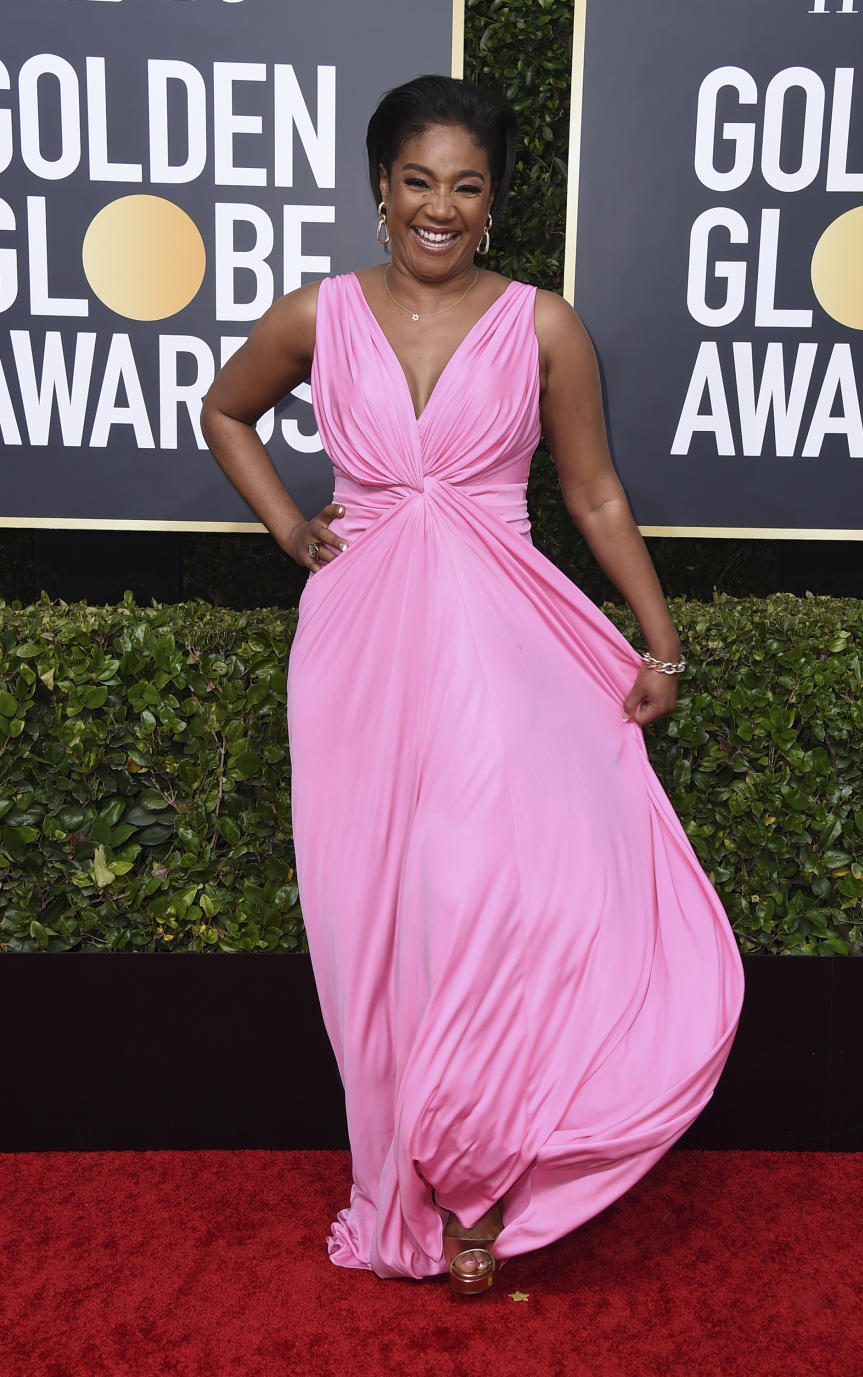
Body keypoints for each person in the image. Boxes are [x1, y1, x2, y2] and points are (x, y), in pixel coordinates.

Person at [201, 74, 744, 1296]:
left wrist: (657, 645)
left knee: (481, 902)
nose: (440, 207)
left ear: (494, 204)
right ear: (378, 189)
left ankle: (478, 1184)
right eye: (417, 181)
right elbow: (226, 411)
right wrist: (294, 532)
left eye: (468, 185)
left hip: (500, 641)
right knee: (377, 929)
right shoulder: (315, 315)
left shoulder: (544, 326)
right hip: (359, 648)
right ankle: (413, 1181)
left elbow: (596, 495)